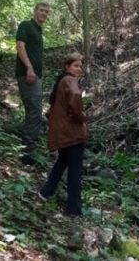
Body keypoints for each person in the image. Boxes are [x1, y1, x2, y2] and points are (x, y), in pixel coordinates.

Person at [38, 53, 88, 216]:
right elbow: (74, 96)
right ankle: (73, 209)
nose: (79, 69)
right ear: (67, 67)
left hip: (63, 131)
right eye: (75, 66)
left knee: (62, 162)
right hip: (71, 133)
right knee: (74, 170)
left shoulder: (61, 80)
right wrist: (81, 117)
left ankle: (46, 192)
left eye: (80, 66)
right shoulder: (69, 80)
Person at [16, 2, 50, 165]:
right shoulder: (26, 25)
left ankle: (27, 149)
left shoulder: (38, 30)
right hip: (28, 75)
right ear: (35, 11)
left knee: (34, 111)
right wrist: (29, 68)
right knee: (35, 112)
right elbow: (20, 46)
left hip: (36, 76)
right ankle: (27, 154)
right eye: (42, 10)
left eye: (46, 12)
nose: (44, 13)